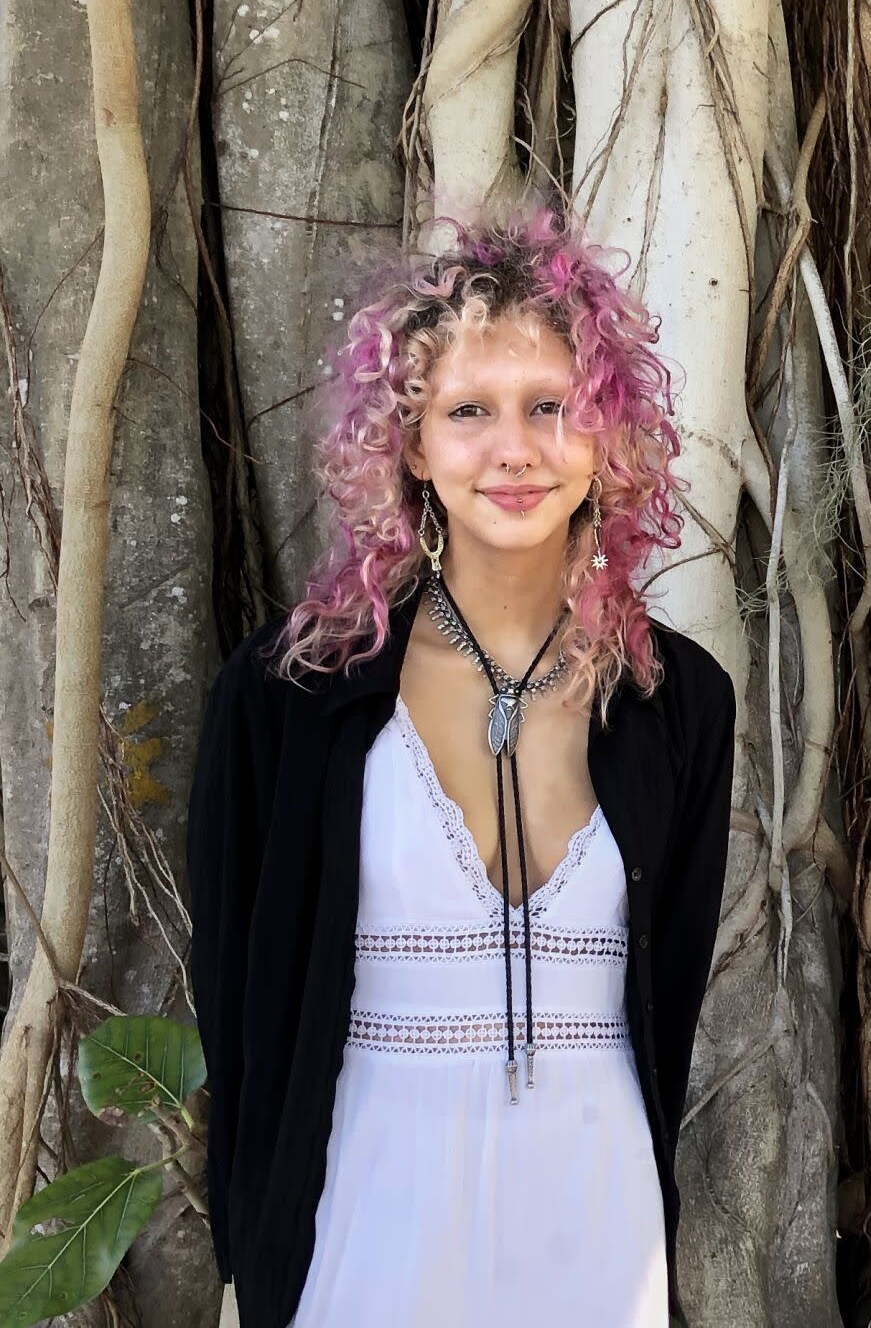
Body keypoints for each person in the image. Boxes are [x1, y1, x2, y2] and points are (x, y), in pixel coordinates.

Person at [185, 205, 737, 1328]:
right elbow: (239, 992)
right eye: (468, 412)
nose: (514, 449)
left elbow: (668, 991)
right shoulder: (289, 695)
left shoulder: (677, 703)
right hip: (366, 1198)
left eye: (550, 407)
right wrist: (247, 1248)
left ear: (607, 433)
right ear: (410, 443)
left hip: (595, 1208)